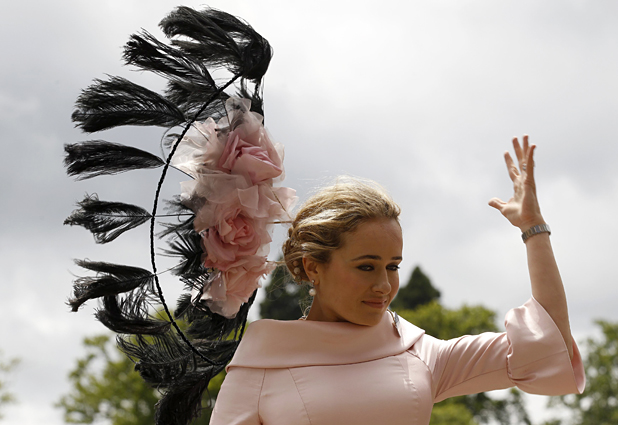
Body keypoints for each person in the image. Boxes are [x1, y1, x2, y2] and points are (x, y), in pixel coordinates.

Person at [209, 135, 585, 425]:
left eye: (393, 266)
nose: (385, 285)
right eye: (367, 266)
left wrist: (534, 230)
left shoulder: (419, 353)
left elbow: (546, 345)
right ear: (312, 268)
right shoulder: (260, 362)